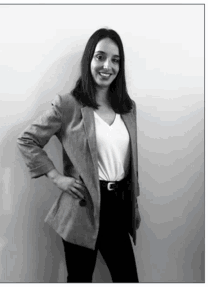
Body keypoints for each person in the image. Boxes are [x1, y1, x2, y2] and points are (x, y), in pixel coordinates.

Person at [17, 28, 141, 283]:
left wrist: (134, 205)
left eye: (115, 60)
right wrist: (56, 177)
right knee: (80, 279)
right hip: (82, 208)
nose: (107, 66)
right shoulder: (68, 104)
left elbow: (130, 164)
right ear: (89, 60)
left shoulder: (128, 108)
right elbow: (28, 140)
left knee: (128, 278)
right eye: (100, 57)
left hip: (118, 207)